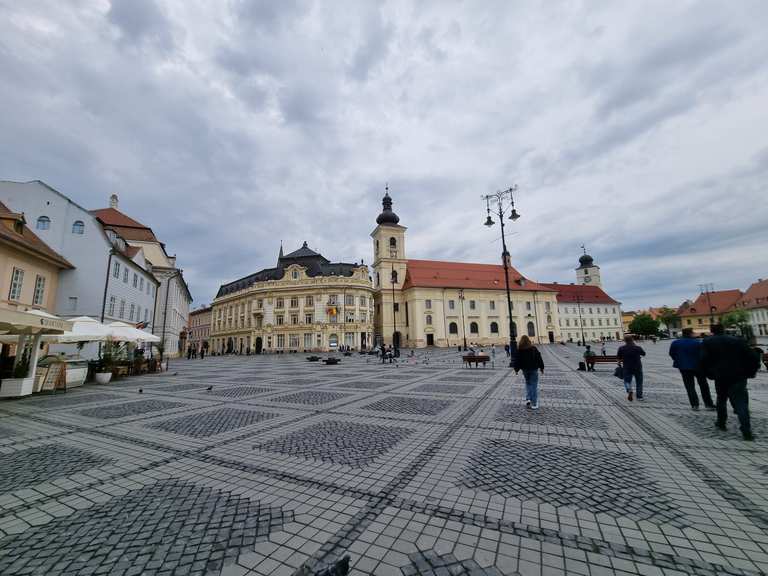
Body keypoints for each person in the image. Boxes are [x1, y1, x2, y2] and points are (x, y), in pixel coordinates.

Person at [701, 324, 760, 441]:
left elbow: (703, 360)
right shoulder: (738, 340)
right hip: (739, 375)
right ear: (723, 329)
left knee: (721, 399)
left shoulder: (707, 342)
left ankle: (721, 422)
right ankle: (746, 430)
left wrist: (709, 374)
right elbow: (752, 356)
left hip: (720, 376)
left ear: (712, 331)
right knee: (741, 403)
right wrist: (751, 372)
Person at [669, 328, 714, 411]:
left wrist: (679, 361)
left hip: (684, 367)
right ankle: (708, 404)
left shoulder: (675, 343)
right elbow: (703, 355)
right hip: (698, 367)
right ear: (691, 333)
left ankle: (694, 405)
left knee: (689, 386)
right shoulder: (698, 343)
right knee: (704, 385)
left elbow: (672, 354)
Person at [513, 335, 544, 409]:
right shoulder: (533, 348)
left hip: (525, 370)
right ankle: (534, 403)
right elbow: (539, 358)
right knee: (534, 385)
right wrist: (542, 367)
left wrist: (516, 369)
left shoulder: (519, 349)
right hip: (533, 369)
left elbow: (517, 360)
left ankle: (528, 399)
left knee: (528, 383)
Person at [618, 335, 646, 401]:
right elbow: (644, 354)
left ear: (625, 340)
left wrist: (620, 361)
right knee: (639, 381)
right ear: (632, 339)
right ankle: (639, 397)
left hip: (627, 367)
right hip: (637, 366)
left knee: (627, 381)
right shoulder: (637, 347)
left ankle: (629, 389)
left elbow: (619, 357)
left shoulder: (621, 348)